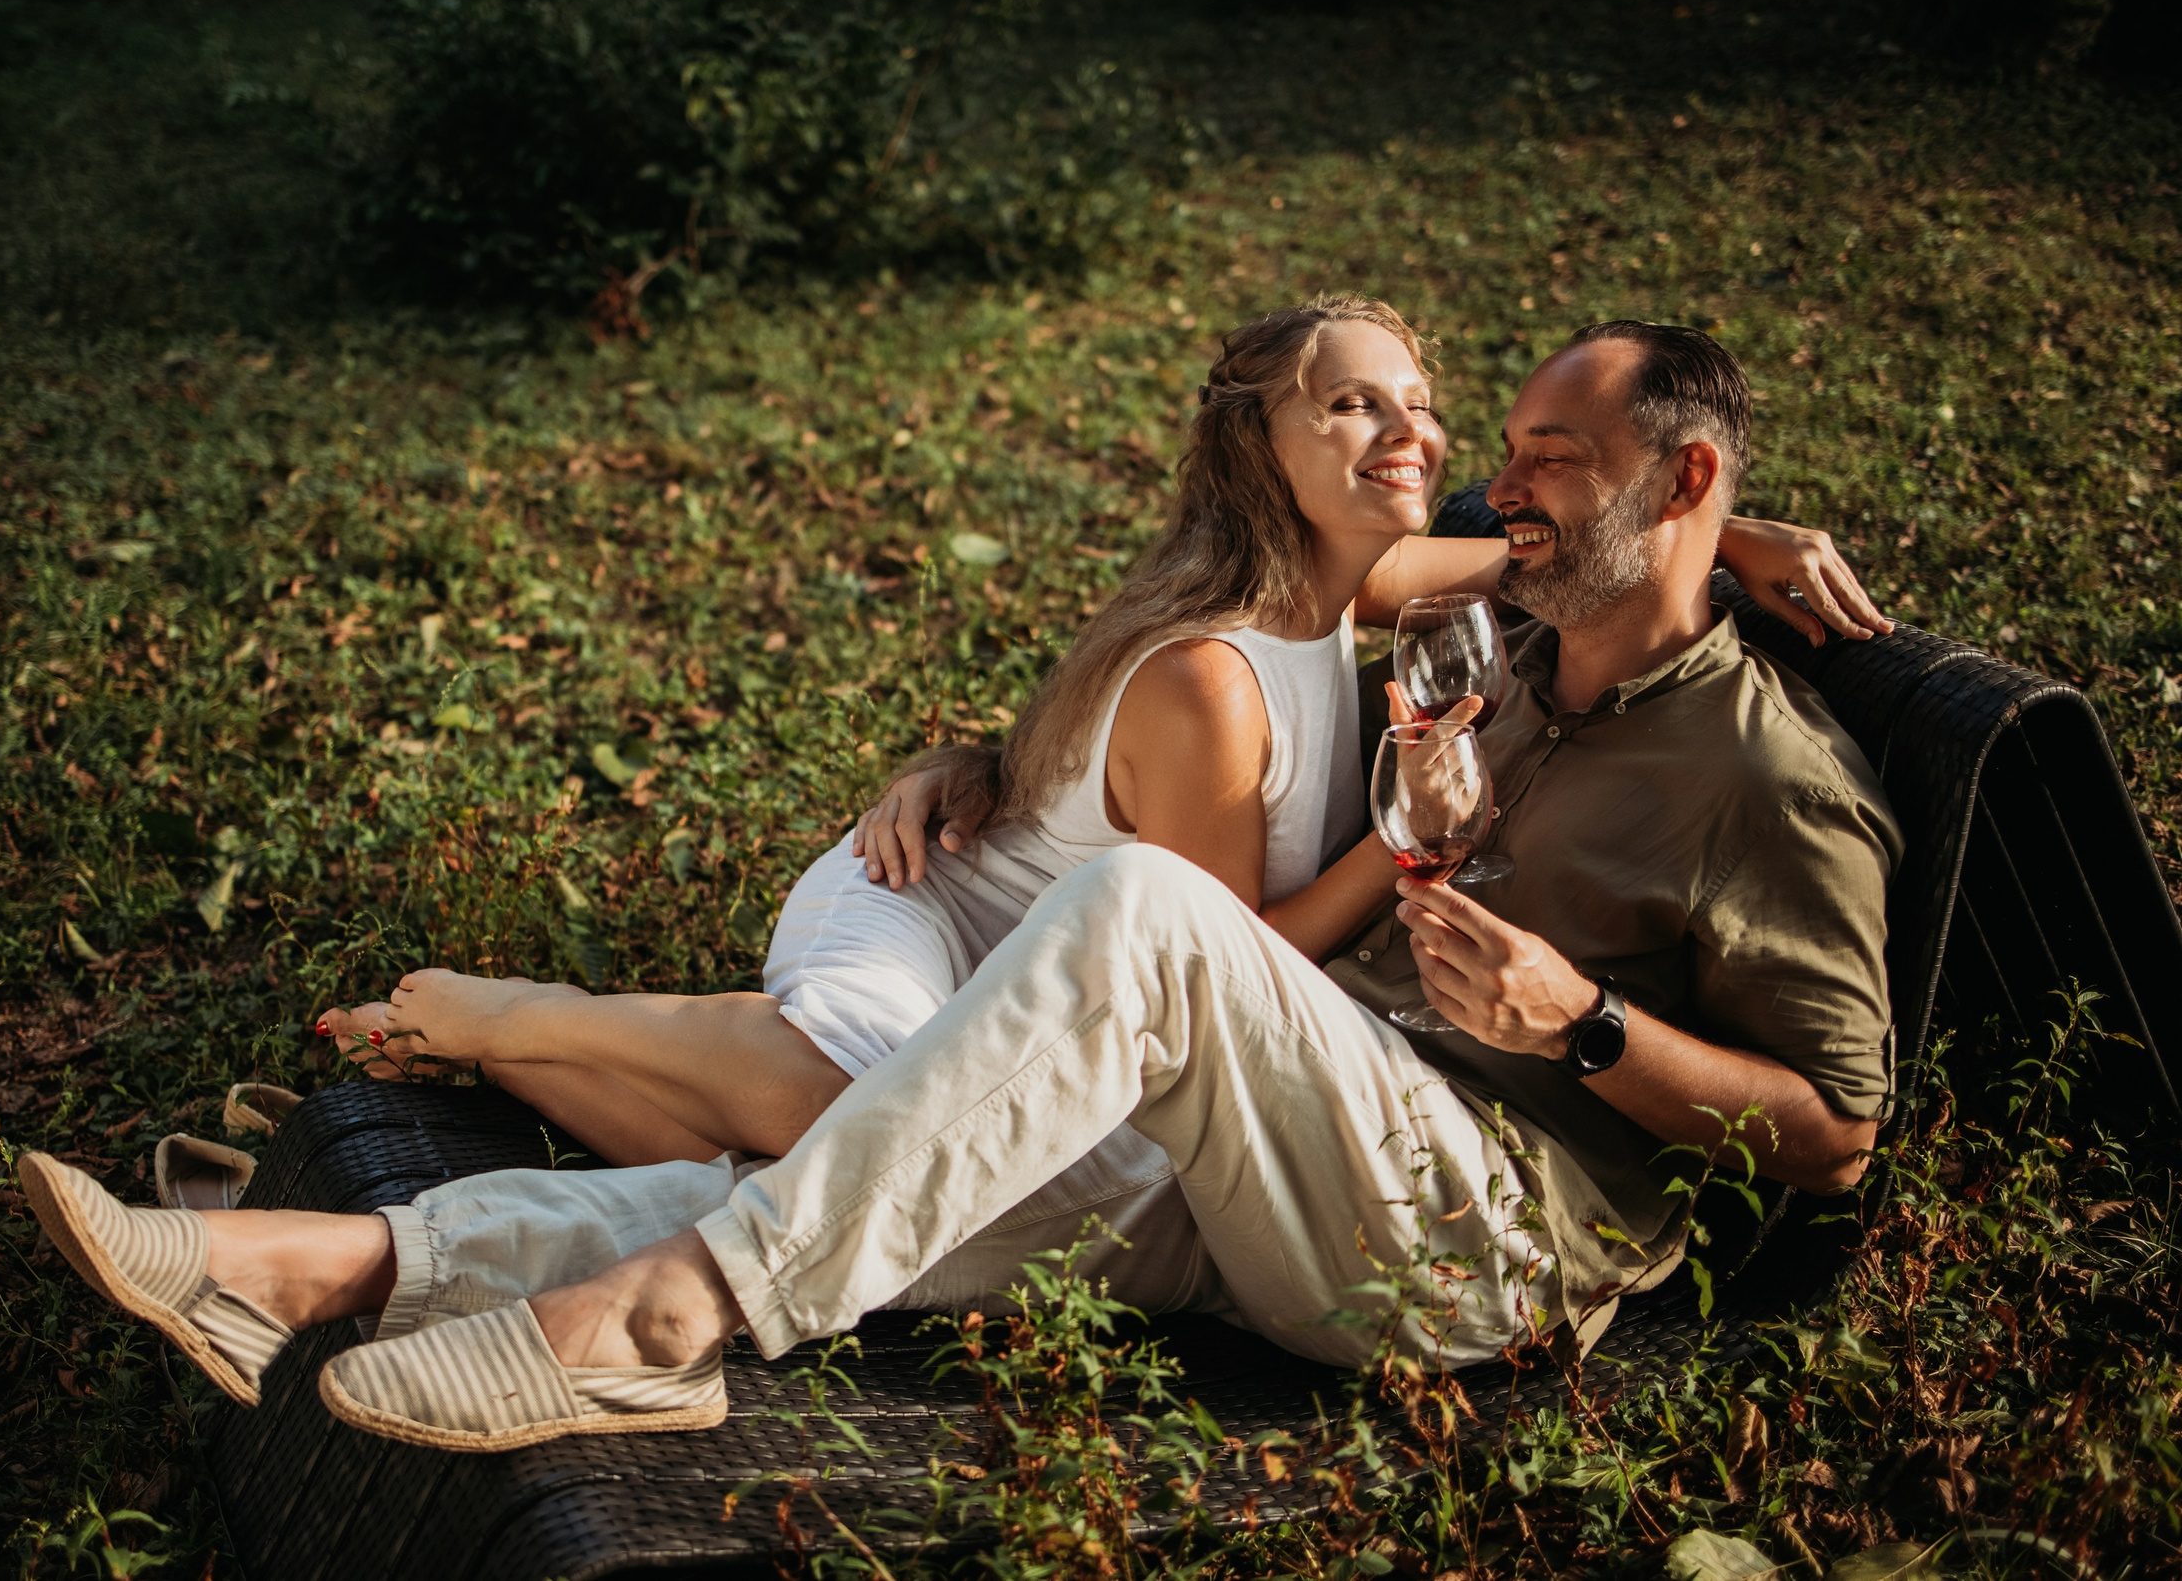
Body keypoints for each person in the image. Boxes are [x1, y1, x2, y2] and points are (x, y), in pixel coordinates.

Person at [20, 318, 1904, 1452]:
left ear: (1686, 479)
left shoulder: (1762, 778)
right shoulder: (1508, 641)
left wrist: (1584, 1030)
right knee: (902, 1159)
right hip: (1303, 1135)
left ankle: (661, 1334)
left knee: (1137, 931)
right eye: (1502, 463)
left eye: (1548, 469)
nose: (1498, 497)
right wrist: (976, 766)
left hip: (1482, 1235)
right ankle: (303, 1267)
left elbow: (1832, 1140)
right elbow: (1432, 574)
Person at [308, 299, 1883, 1171]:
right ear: (1263, 450)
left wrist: (1733, 535)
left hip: (1029, 931)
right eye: (1351, 408)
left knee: (805, 1163)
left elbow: (1560, 548)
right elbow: (1230, 945)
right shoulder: (1222, 667)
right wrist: (1407, 847)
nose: (1420, 437)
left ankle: (499, 1058)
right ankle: (517, 1012)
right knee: (867, 1126)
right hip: (937, 912)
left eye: (1420, 403)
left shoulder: (1359, 593)